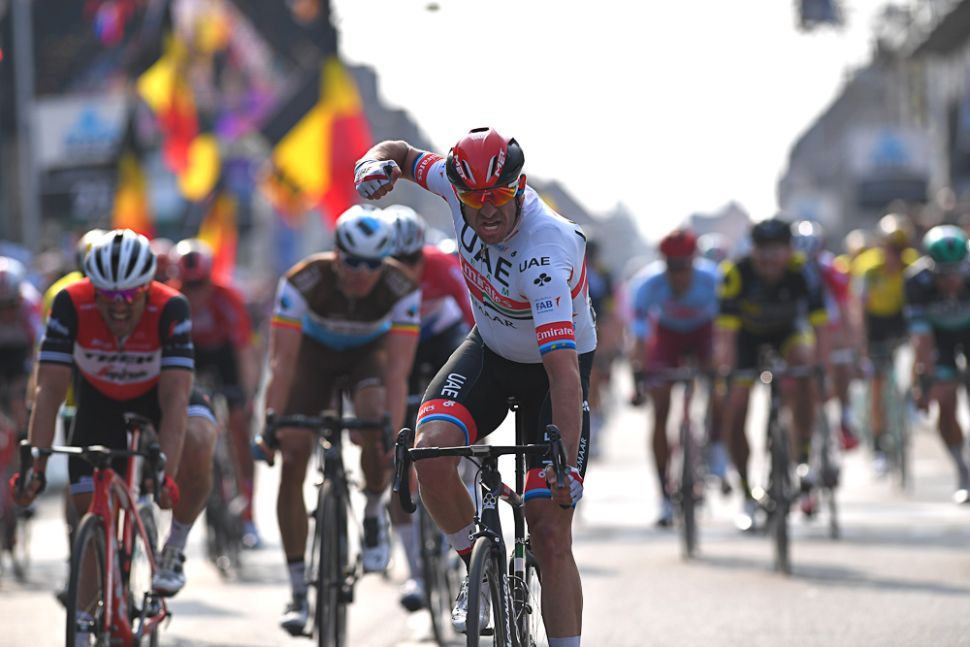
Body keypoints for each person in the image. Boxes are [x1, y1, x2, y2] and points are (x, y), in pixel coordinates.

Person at [355, 126, 595, 646]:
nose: (487, 211)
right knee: (431, 455)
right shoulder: (451, 181)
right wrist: (371, 164)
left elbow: (564, 373)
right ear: (457, 191)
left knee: (550, 533)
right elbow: (397, 152)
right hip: (491, 346)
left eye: (500, 198)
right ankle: (477, 571)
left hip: (554, 370)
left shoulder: (544, 253)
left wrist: (565, 466)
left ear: (519, 187)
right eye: (475, 201)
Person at [13, 229, 216, 611]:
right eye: (107, 296)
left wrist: (165, 475)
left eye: (129, 296)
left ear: (147, 288)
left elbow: (174, 400)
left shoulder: (171, 307)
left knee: (200, 437)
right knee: (89, 508)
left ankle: (174, 547)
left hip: (158, 394)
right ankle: (90, 620)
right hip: (100, 399)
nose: (119, 306)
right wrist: (36, 465)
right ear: (91, 289)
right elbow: (50, 390)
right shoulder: (70, 303)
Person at [256, 206, 421, 635]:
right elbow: (283, 361)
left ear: (385, 260)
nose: (362, 274)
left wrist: (393, 431)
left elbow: (398, 373)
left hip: (369, 356)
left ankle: (370, 510)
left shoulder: (401, 285)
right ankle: (296, 590)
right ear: (336, 253)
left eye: (373, 264)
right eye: (352, 262)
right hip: (312, 358)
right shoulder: (302, 280)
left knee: (374, 419)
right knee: (293, 454)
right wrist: (270, 423)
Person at [382, 204, 475, 612]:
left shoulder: (440, 264)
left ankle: (469, 476)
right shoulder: (378, 278)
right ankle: (416, 573)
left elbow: (473, 316)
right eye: (394, 260)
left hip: (441, 339)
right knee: (398, 465)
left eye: (411, 259)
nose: (404, 267)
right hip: (399, 344)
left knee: (467, 404)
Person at [715, 217, 829, 528]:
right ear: (752, 250)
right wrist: (726, 373)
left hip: (787, 334)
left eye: (776, 250)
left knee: (805, 367)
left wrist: (821, 368)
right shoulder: (736, 273)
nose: (768, 258)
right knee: (735, 409)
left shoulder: (803, 271)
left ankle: (803, 457)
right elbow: (725, 336)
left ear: (789, 250)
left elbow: (820, 326)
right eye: (761, 250)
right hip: (746, 339)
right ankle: (746, 493)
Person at [170, 238, 262, 548]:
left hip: (224, 357)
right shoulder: (173, 298)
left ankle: (248, 513)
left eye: (201, 285)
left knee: (238, 425)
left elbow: (244, 351)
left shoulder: (226, 298)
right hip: (190, 356)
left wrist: (247, 397)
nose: (195, 293)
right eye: (188, 285)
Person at [628, 229, 720, 527]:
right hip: (667, 338)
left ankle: (716, 445)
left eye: (684, 266)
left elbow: (725, 332)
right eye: (672, 266)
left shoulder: (713, 280)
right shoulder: (648, 285)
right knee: (660, 410)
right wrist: (638, 378)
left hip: (703, 334)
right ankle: (665, 497)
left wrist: (720, 371)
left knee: (721, 386)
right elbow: (640, 340)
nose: (678, 274)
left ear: (694, 260)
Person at [904, 225, 970, 503]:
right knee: (944, 399)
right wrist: (924, 382)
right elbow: (922, 340)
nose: (951, 280)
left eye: (957, 271)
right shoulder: (916, 282)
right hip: (938, 339)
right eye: (944, 274)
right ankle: (963, 471)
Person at [849, 213, 918, 475]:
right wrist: (862, 342)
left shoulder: (911, 265)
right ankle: (879, 445)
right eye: (892, 249)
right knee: (877, 385)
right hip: (875, 322)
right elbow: (858, 309)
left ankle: (910, 400)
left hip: (901, 319)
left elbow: (917, 306)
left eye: (901, 249)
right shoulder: (868, 268)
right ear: (882, 246)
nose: (896, 255)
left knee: (913, 359)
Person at [791, 220, 860, 451]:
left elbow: (844, 307)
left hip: (829, 325)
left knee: (841, 366)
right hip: (801, 327)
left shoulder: (832, 268)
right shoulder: (790, 270)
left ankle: (845, 419)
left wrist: (851, 341)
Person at [0, 257, 43, 436]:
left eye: (10, 305)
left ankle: (23, 434)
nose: (6, 313)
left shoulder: (30, 303)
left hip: (21, 351)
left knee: (20, 397)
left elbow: (38, 347)